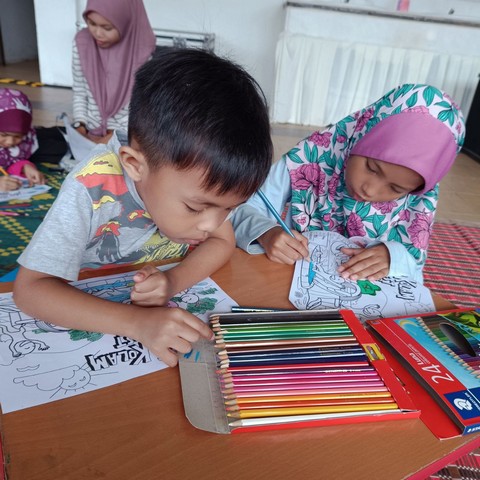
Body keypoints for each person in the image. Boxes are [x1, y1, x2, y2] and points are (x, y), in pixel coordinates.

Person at [13, 48, 273, 367]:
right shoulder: (90, 189)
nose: (211, 224)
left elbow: (222, 241)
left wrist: (172, 281)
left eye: (229, 209)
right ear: (135, 165)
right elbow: (30, 290)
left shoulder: (196, 183)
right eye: (195, 208)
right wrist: (138, 323)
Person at [233, 83, 465, 283]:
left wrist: (392, 258)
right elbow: (238, 207)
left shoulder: (419, 202)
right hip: (285, 277)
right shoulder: (312, 156)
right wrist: (266, 232)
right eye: (371, 168)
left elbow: (413, 267)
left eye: (396, 189)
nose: (370, 189)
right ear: (362, 132)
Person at [72, 0, 156, 144]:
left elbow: (141, 107)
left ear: (126, 22)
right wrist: (80, 125)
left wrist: (114, 137)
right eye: (91, 23)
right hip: (89, 134)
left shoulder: (142, 52)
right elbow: (80, 91)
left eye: (107, 27)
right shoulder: (82, 44)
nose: (98, 33)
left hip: (125, 136)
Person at [0, 88, 45, 191]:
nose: (10, 142)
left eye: (18, 136)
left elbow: (10, 160)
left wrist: (24, 167)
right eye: (3, 134)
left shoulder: (21, 144)